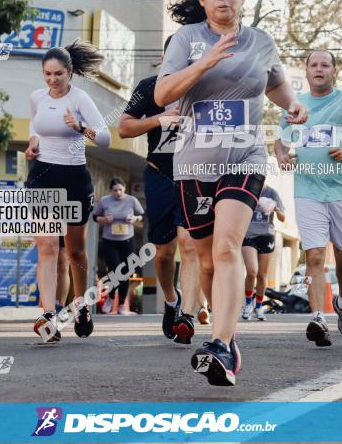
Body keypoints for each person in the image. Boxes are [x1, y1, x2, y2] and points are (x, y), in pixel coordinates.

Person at [155, 0, 307, 386]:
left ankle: (221, 343)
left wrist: (292, 105)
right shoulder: (186, 39)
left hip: (244, 158)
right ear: (202, 0)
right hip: (193, 163)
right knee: (205, 261)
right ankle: (225, 333)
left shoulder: (260, 41)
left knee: (226, 248)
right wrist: (204, 62)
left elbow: (275, 83)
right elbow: (164, 92)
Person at [275, 49, 342, 348]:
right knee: (313, 256)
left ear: (334, 71)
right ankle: (318, 317)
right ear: (307, 72)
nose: (319, 69)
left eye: (325, 65)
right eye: (313, 65)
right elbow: (280, 140)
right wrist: (283, 154)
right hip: (308, 190)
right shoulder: (296, 105)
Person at [119, 36, 207, 344]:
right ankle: (172, 300)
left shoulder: (204, 87)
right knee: (164, 253)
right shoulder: (148, 87)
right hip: (159, 176)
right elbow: (124, 127)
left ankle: (187, 314)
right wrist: (159, 119)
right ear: (164, 56)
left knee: (190, 243)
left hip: (194, 175)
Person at [26, 40, 111, 343]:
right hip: (42, 176)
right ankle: (49, 314)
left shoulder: (80, 98)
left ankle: (82, 304)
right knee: (48, 245)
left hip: (74, 178)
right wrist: (33, 144)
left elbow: (105, 138)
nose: (52, 80)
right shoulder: (37, 97)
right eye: (47, 74)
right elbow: (35, 128)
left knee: (74, 250)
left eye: (58, 74)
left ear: (70, 72)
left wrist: (80, 128)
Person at [93, 177, 144, 315]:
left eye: (120, 190)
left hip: (127, 239)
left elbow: (141, 215)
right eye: (115, 190)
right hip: (110, 240)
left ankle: (121, 304)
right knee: (115, 269)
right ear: (111, 191)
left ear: (125, 188)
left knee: (126, 272)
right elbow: (94, 216)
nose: (118, 193)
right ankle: (110, 297)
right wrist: (103, 219)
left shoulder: (131, 200)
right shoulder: (104, 201)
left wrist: (134, 219)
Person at [241, 185, 286, 321]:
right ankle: (248, 303)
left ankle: (259, 306)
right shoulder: (246, 187)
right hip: (248, 235)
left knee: (262, 275)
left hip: (266, 235)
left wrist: (276, 209)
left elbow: (283, 218)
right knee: (252, 271)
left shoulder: (272, 192)